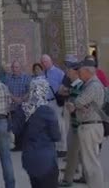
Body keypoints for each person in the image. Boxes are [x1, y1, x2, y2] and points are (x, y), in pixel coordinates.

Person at [11, 77, 61, 188]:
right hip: (46, 159)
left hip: (28, 157)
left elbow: (14, 131)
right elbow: (56, 136)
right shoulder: (47, 111)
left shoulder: (22, 109)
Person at [65, 58, 106, 188]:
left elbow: (78, 102)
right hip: (90, 125)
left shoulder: (93, 85)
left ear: (88, 71)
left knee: (91, 163)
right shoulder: (90, 84)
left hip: (90, 126)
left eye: (81, 72)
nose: (79, 74)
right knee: (91, 162)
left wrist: (76, 105)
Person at [59, 58, 87, 187]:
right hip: (76, 123)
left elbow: (77, 104)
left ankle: (67, 180)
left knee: (72, 152)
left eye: (69, 70)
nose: (67, 72)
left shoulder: (80, 85)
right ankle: (85, 176)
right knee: (80, 153)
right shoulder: (76, 85)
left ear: (75, 72)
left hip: (78, 125)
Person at [40, 54, 67, 157]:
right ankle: (54, 146)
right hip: (46, 102)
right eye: (42, 62)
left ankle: (62, 147)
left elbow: (65, 86)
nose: (44, 64)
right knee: (49, 125)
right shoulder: (43, 74)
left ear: (50, 61)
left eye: (45, 62)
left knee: (59, 124)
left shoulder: (59, 73)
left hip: (56, 101)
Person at [4, 61, 31, 151]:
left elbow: (30, 90)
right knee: (15, 125)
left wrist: (23, 98)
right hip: (13, 105)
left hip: (24, 105)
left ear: (20, 68)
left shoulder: (26, 78)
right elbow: (6, 90)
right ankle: (17, 144)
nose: (14, 69)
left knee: (23, 124)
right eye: (13, 67)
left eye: (16, 67)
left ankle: (24, 144)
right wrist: (14, 98)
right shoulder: (8, 78)